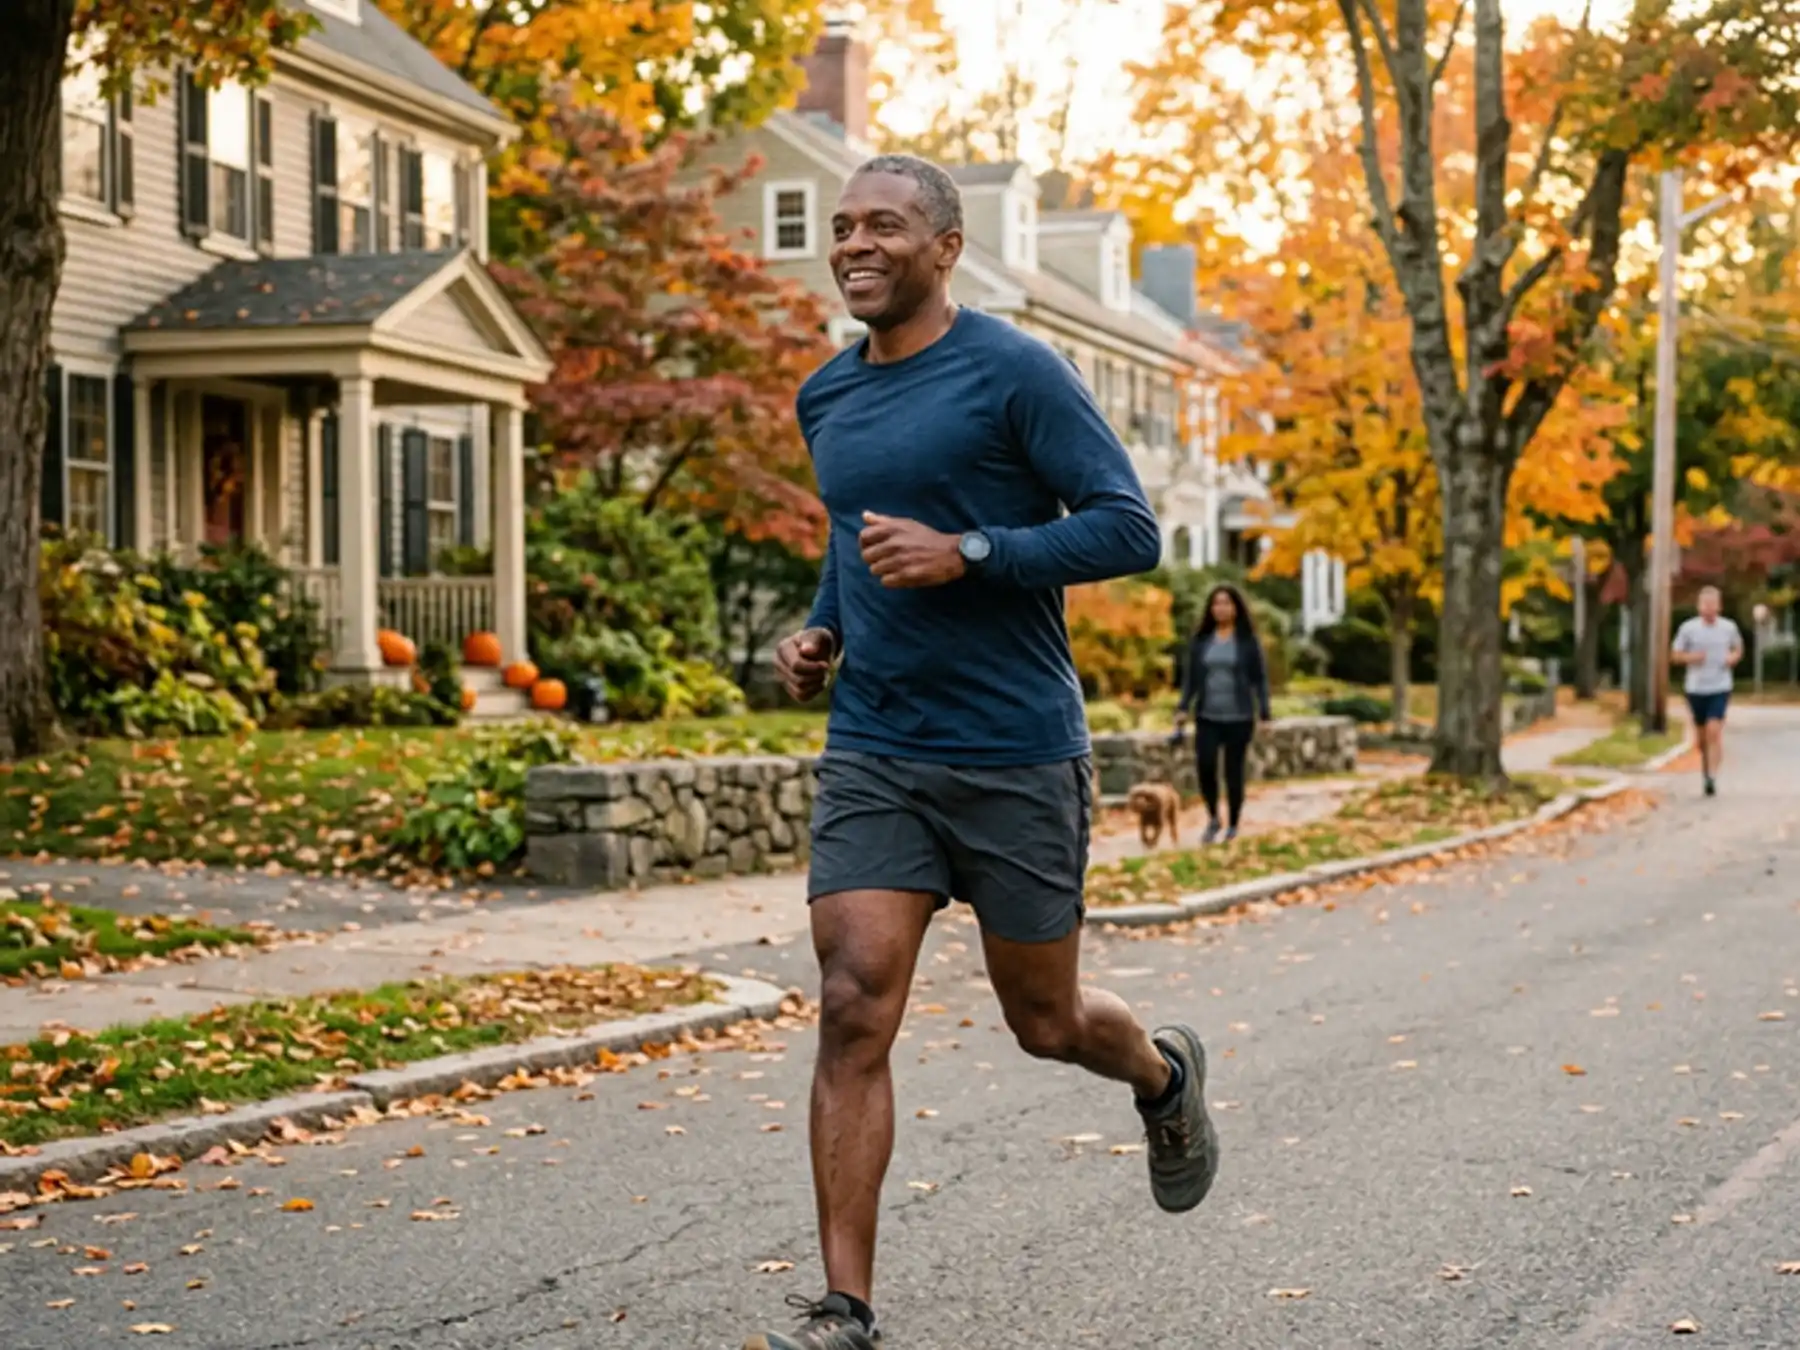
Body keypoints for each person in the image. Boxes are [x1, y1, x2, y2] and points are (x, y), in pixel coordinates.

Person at [750, 155, 1220, 1350]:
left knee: (1047, 1021)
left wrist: (972, 554)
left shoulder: (1016, 370)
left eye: (885, 227)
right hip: (878, 750)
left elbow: (1129, 528)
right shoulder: (827, 396)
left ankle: (1163, 1077)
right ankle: (845, 1308)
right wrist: (821, 632)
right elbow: (856, 549)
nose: (854, 243)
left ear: (947, 246)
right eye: (843, 226)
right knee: (854, 1000)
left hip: (1015, 748)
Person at [1174, 584, 1271, 843]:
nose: (1221, 608)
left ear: (1236, 608)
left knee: (1233, 771)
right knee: (1205, 766)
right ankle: (1214, 817)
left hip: (1239, 717)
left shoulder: (1248, 642)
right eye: (1216, 603)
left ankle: (1234, 824)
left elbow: (1259, 679)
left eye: (1226, 603)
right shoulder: (1202, 641)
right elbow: (1191, 679)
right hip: (1207, 715)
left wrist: (1265, 713)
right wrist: (1183, 707)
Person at [1671, 585, 1743, 796]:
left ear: (1719, 606)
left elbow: (1738, 648)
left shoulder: (1728, 627)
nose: (1709, 608)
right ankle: (1706, 768)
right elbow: (1675, 654)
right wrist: (1691, 658)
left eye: (1713, 604)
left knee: (1714, 730)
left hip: (1720, 686)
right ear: (1699, 606)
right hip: (1695, 688)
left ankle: (1711, 776)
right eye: (1705, 604)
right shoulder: (1688, 629)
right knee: (1702, 738)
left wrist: (1733, 658)